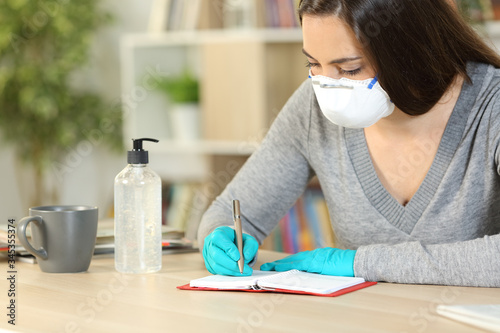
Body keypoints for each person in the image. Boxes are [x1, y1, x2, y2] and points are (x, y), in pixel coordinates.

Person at [198, 0, 500, 287]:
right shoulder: (311, 107)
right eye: (313, 63)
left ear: (410, 50)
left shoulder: (492, 103)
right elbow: (233, 212)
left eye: (350, 68)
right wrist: (220, 236)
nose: (328, 85)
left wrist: (361, 263)